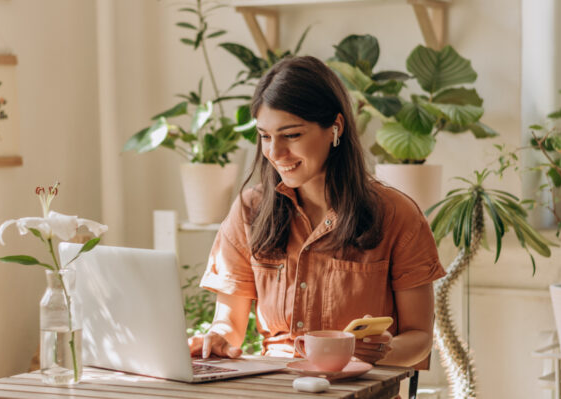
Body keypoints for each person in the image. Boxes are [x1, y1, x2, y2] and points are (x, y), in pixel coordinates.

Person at [188, 55, 446, 368]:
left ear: (335, 127)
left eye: (292, 135)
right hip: (277, 386)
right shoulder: (249, 210)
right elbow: (229, 326)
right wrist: (216, 338)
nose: (274, 153)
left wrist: (384, 350)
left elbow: (420, 336)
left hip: (360, 387)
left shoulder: (397, 214)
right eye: (265, 136)